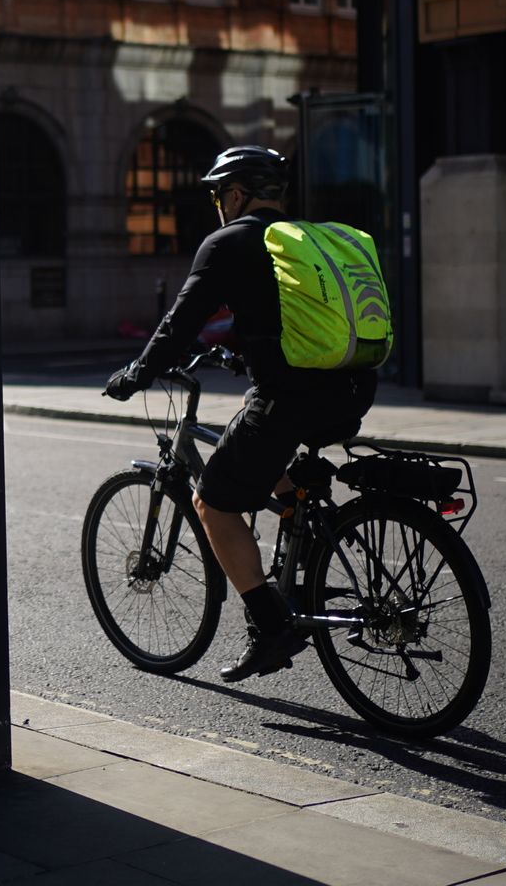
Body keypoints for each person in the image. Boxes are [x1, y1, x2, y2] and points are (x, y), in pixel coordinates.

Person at [105, 146, 378, 683]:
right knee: (263, 458)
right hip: (352, 391)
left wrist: (138, 371)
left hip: (290, 398)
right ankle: (298, 521)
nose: (217, 206)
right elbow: (284, 316)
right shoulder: (302, 241)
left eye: (217, 196)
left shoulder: (229, 241)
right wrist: (243, 352)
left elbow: (180, 323)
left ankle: (272, 625)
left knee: (211, 504)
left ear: (234, 194)